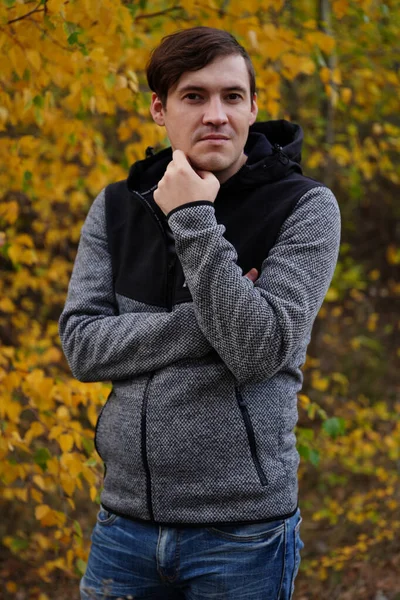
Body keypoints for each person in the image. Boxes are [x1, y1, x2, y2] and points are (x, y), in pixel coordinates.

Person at [59, 26, 341, 600]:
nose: (216, 113)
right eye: (194, 96)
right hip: (123, 526)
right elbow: (83, 346)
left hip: (243, 534)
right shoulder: (117, 206)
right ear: (160, 109)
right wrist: (215, 318)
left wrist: (192, 217)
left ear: (254, 107)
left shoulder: (305, 206)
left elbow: (259, 350)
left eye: (232, 96)